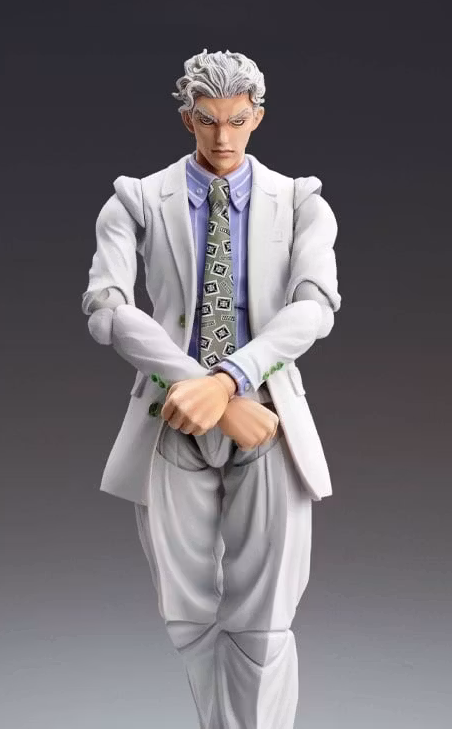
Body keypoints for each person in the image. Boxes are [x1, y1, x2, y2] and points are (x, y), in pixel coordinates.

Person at [81, 48, 341, 728]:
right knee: (187, 616)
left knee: (266, 621)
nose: (222, 137)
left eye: (236, 120)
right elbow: (106, 308)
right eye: (206, 120)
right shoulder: (137, 199)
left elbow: (315, 308)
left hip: (268, 416)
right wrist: (195, 384)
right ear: (186, 118)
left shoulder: (301, 202)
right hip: (173, 417)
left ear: (258, 116)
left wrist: (230, 380)